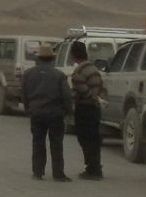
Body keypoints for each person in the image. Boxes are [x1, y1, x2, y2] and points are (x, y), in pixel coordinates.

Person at [21, 41, 73, 181]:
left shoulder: (28, 74)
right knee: (56, 144)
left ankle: (38, 172)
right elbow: (66, 96)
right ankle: (58, 173)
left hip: (36, 113)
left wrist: (28, 109)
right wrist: (68, 111)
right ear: (52, 59)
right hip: (55, 114)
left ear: (38, 58)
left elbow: (24, 94)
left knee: (38, 142)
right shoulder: (59, 75)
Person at [69, 40, 105, 180]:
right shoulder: (94, 69)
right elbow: (100, 89)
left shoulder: (78, 72)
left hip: (84, 108)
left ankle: (92, 169)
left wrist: (67, 98)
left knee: (84, 138)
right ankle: (95, 167)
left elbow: (81, 92)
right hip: (95, 109)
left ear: (74, 55)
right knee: (94, 138)